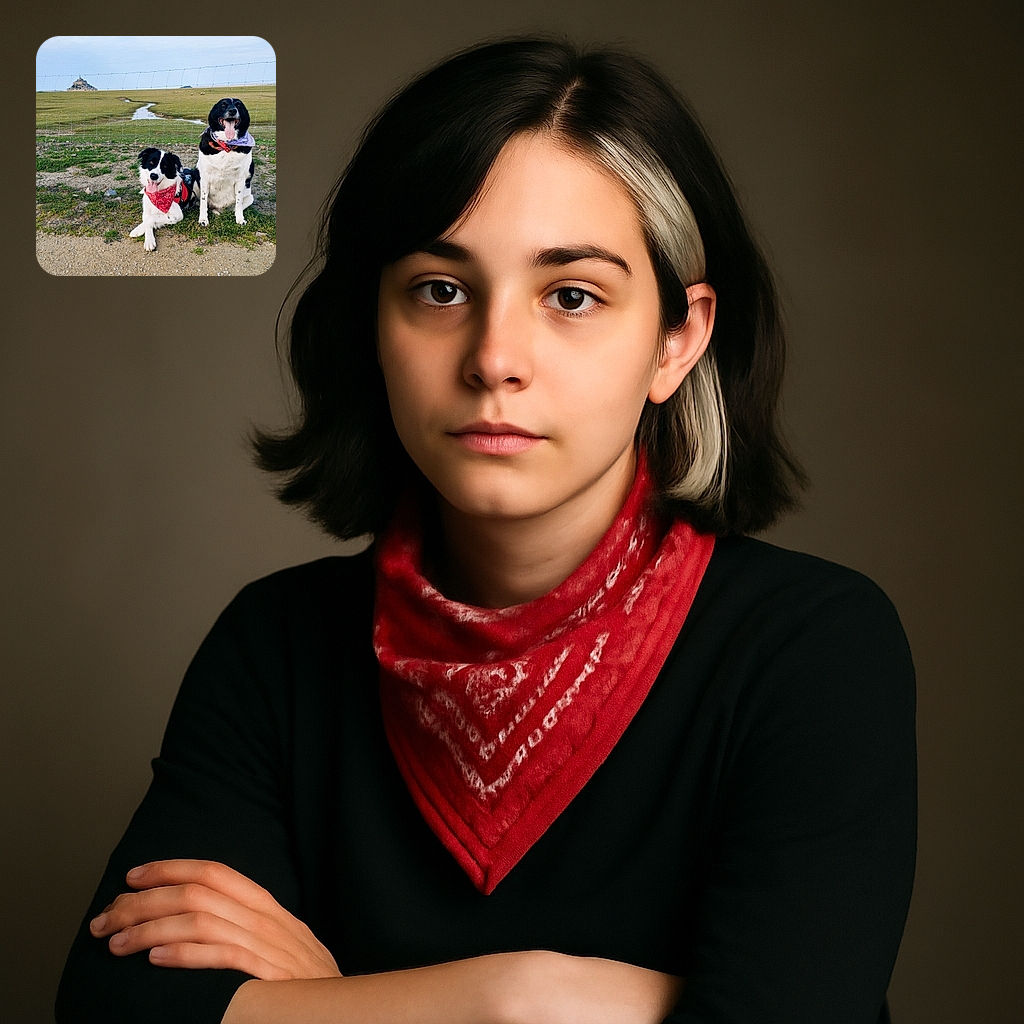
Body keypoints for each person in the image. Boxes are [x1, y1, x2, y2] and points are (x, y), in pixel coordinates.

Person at [56, 38, 916, 1024]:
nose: (494, 357)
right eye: (439, 289)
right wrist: (519, 998)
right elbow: (115, 1005)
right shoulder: (275, 645)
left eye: (573, 296)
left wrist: (325, 1003)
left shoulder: (811, 647)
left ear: (676, 341)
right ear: (372, 327)